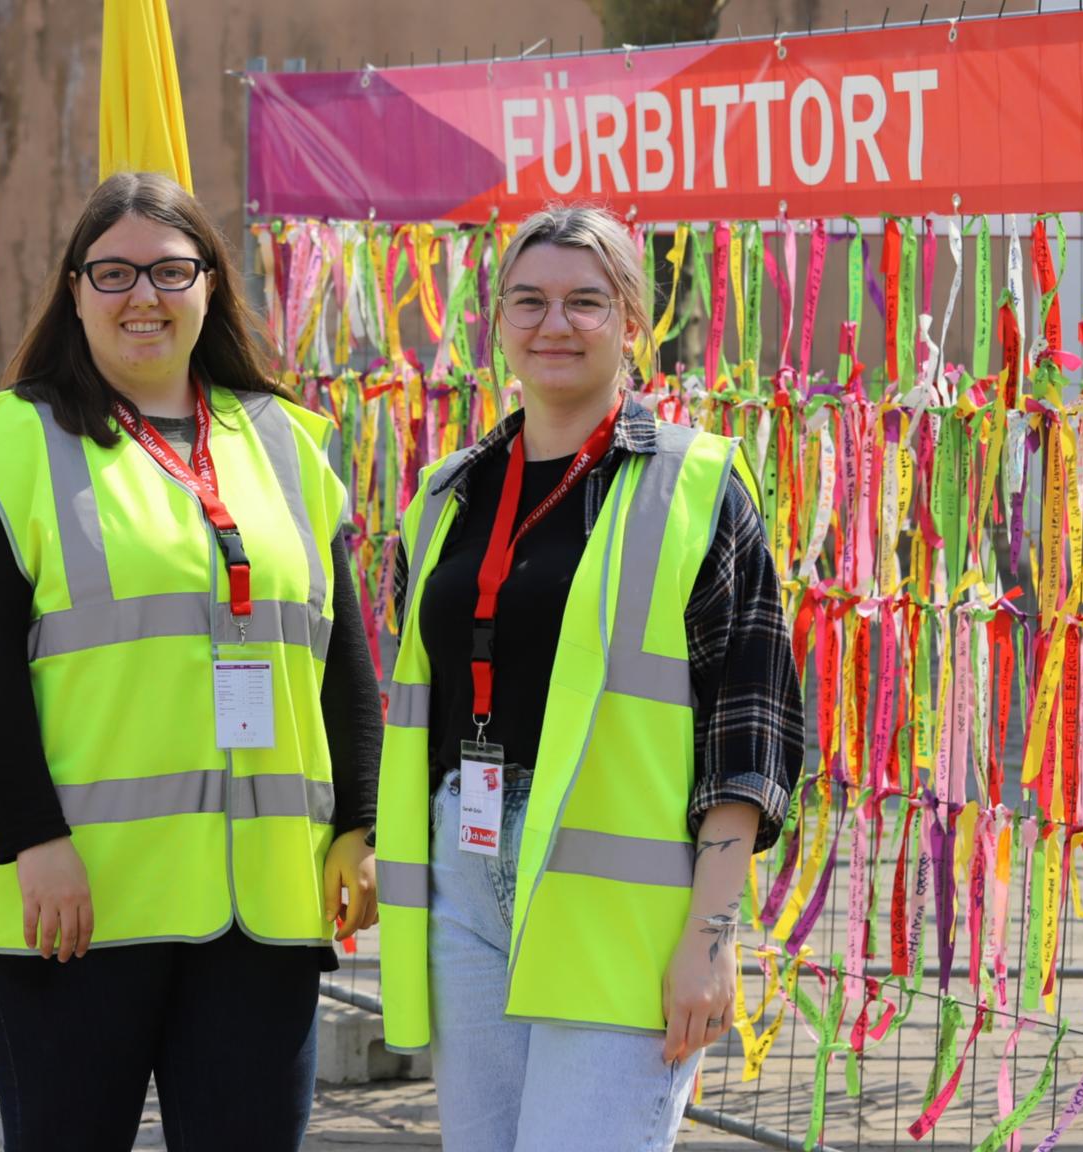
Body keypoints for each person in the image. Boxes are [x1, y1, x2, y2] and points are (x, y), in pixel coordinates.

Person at [0, 171, 382, 1151]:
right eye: (115, 272)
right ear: (75, 288)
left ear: (210, 285)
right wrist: (33, 840)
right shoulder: (6, 445)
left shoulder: (284, 443)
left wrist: (360, 823)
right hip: (76, 897)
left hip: (259, 902)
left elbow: (341, 648)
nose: (144, 296)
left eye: (171, 270)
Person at [373, 206, 803, 1151]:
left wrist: (709, 939)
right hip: (463, 876)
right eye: (528, 301)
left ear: (634, 325)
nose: (553, 324)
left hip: (618, 910)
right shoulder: (446, 495)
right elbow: (422, 704)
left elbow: (749, 730)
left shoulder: (698, 487)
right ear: (499, 324)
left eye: (585, 302)